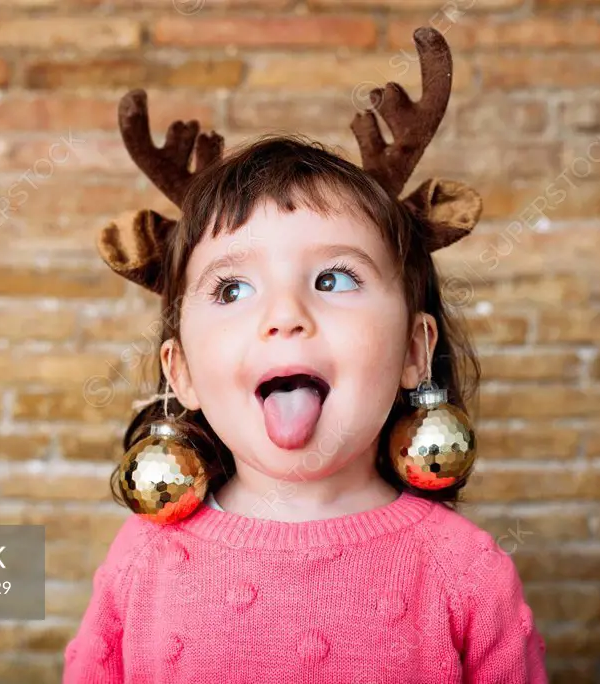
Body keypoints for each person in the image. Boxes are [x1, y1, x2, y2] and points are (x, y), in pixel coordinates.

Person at [63, 26, 548, 684]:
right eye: (233, 288)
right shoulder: (141, 559)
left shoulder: (466, 569)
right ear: (181, 374)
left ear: (414, 350)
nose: (285, 316)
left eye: (334, 280)